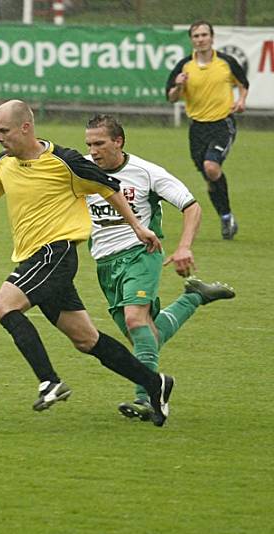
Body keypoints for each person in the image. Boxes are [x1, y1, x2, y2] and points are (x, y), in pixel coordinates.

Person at [0, 100, 175, 427]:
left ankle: (49, 381)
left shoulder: (65, 161)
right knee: (87, 340)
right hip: (34, 258)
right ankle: (156, 384)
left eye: (3, 130)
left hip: (56, 253)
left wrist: (138, 227)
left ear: (25, 127)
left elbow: (110, 188)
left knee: (3, 306)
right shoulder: (4, 162)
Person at [84, 114, 236, 420]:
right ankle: (194, 297)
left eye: (100, 143)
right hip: (104, 262)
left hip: (142, 253)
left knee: (136, 321)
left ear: (118, 141)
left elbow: (191, 207)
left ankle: (147, 398)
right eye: (89, 144)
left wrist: (184, 247)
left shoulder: (147, 173)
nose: (94, 150)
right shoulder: (83, 169)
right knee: (146, 336)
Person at [166, 20, 249, 240]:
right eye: (196, 36)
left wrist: (241, 101)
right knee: (210, 177)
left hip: (223, 124)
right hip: (197, 129)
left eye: (204, 35)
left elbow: (243, 83)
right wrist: (179, 85)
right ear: (191, 40)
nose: (200, 39)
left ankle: (225, 216)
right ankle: (226, 216)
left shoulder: (226, 62)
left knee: (211, 167)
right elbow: (171, 97)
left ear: (212, 37)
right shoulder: (184, 66)